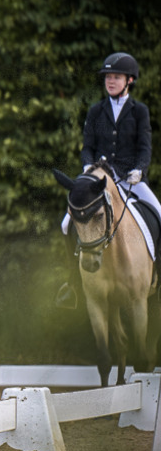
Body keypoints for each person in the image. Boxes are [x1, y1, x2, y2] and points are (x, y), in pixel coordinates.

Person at [56, 51, 161, 307]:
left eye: (116, 77)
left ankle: (156, 274)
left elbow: (145, 147)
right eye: (107, 77)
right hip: (99, 181)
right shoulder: (95, 111)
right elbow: (87, 147)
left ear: (129, 80)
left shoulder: (140, 112)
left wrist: (140, 169)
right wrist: (88, 165)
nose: (110, 81)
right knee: (66, 224)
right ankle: (73, 284)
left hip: (130, 179)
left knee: (160, 213)